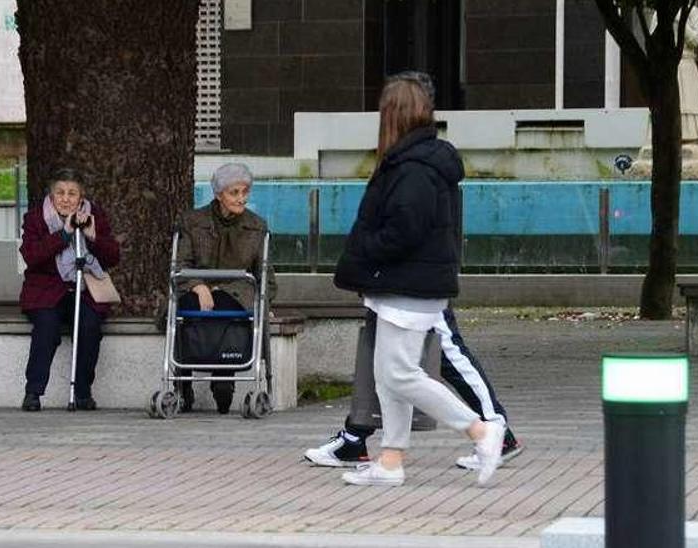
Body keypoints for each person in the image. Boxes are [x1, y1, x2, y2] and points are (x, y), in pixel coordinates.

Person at [331, 71, 504, 487]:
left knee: (398, 374)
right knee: (389, 373)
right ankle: (390, 460)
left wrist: (365, 246)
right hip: (409, 284)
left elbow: (404, 230)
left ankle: (481, 429)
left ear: (393, 115)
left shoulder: (413, 168)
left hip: (408, 285)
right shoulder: (419, 162)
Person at [304, 308, 524, 470]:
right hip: (393, 274)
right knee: (384, 356)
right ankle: (357, 436)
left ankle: (496, 430)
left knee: (446, 351)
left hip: (415, 274)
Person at [174, 163, 276, 414]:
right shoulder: (193, 221)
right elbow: (180, 263)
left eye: (245, 192)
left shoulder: (256, 226)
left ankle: (223, 380)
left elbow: (266, 276)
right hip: (196, 288)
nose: (241, 198)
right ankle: (182, 384)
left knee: (227, 309)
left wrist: (265, 302)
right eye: (234, 193)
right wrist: (198, 286)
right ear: (219, 194)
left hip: (237, 291)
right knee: (185, 309)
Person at [19, 170, 121, 411]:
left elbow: (113, 256)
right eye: (60, 193)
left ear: (80, 196)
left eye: (72, 193)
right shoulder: (36, 218)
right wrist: (63, 234)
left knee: (89, 327)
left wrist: (93, 237)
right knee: (46, 327)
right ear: (52, 196)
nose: (66, 199)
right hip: (47, 289)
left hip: (84, 288)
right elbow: (31, 256)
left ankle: (83, 392)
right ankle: (33, 391)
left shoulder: (93, 216)